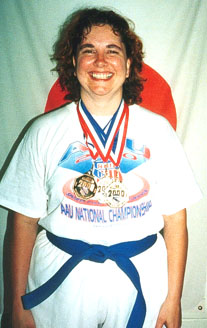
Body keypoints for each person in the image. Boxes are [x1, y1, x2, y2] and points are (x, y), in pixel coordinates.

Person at [0, 7, 202, 328]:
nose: (100, 62)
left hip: (142, 270)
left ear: (128, 64)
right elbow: (23, 221)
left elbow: (176, 219)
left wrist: (173, 299)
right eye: (88, 51)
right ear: (74, 63)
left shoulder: (158, 130)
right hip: (61, 274)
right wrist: (14, 303)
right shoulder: (43, 131)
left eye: (113, 51)